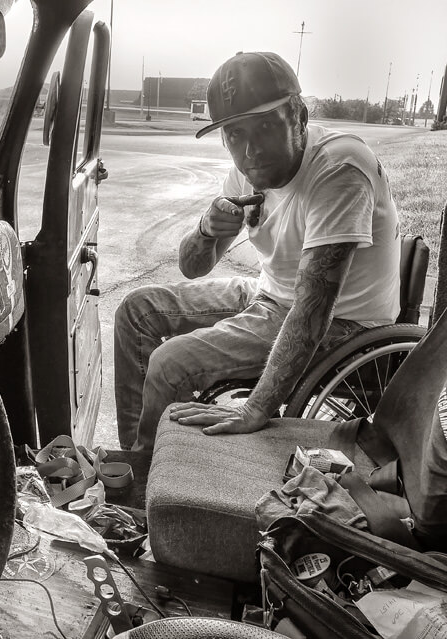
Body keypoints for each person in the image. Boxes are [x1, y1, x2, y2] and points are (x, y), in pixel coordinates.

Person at [114, 51, 401, 451]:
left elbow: (312, 307)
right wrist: (206, 229)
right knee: (137, 311)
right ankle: (132, 459)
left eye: (265, 126)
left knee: (169, 364)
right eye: (234, 134)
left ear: (298, 116)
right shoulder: (247, 171)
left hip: (342, 322)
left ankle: (148, 485)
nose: (250, 151)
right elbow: (192, 267)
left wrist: (256, 407)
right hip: (270, 294)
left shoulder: (339, 168)